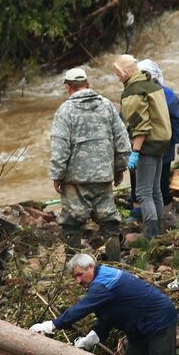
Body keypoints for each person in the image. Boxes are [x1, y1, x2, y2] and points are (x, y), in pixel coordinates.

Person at [28, 252, 178, 355]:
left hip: (159, 320)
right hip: (138, 326)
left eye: (80, 275)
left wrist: (52, 325)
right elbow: (108, 315)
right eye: (75, 277)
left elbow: (81, 308)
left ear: (91, 267)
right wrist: (94, 336)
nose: (78, 281)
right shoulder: (100, 283)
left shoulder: (104, 281)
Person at [48, 67, 130, 256]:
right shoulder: (107, 106)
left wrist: (57, 175)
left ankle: (73, 271)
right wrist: (119, 169)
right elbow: (122, 142)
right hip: (103, 176)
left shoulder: (64, 111)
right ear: (87, 84)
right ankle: (115, 265)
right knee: (109, 222)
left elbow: (60, 148)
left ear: (68, 87)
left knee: (71, 224)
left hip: (75, 179)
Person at [113, 55, 172, 237]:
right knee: (156, 190)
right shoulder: (153, 85)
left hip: (147, 146)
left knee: (143, 192)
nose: (117, 77)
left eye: (117, 73)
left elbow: (140, 126)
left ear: (125, 71)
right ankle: (160, 230)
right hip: (162, 143)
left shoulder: (134, 92)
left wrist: (135, 152)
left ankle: (151, 234)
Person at [132, 59, 179, 221]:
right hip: (163, 147)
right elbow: (178, 122)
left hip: (139, 146)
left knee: (140, 180)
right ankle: (163, 214)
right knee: (160, 181)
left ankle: (141, 213)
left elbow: (126, 119)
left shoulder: (133, 93)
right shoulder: (168, 95)